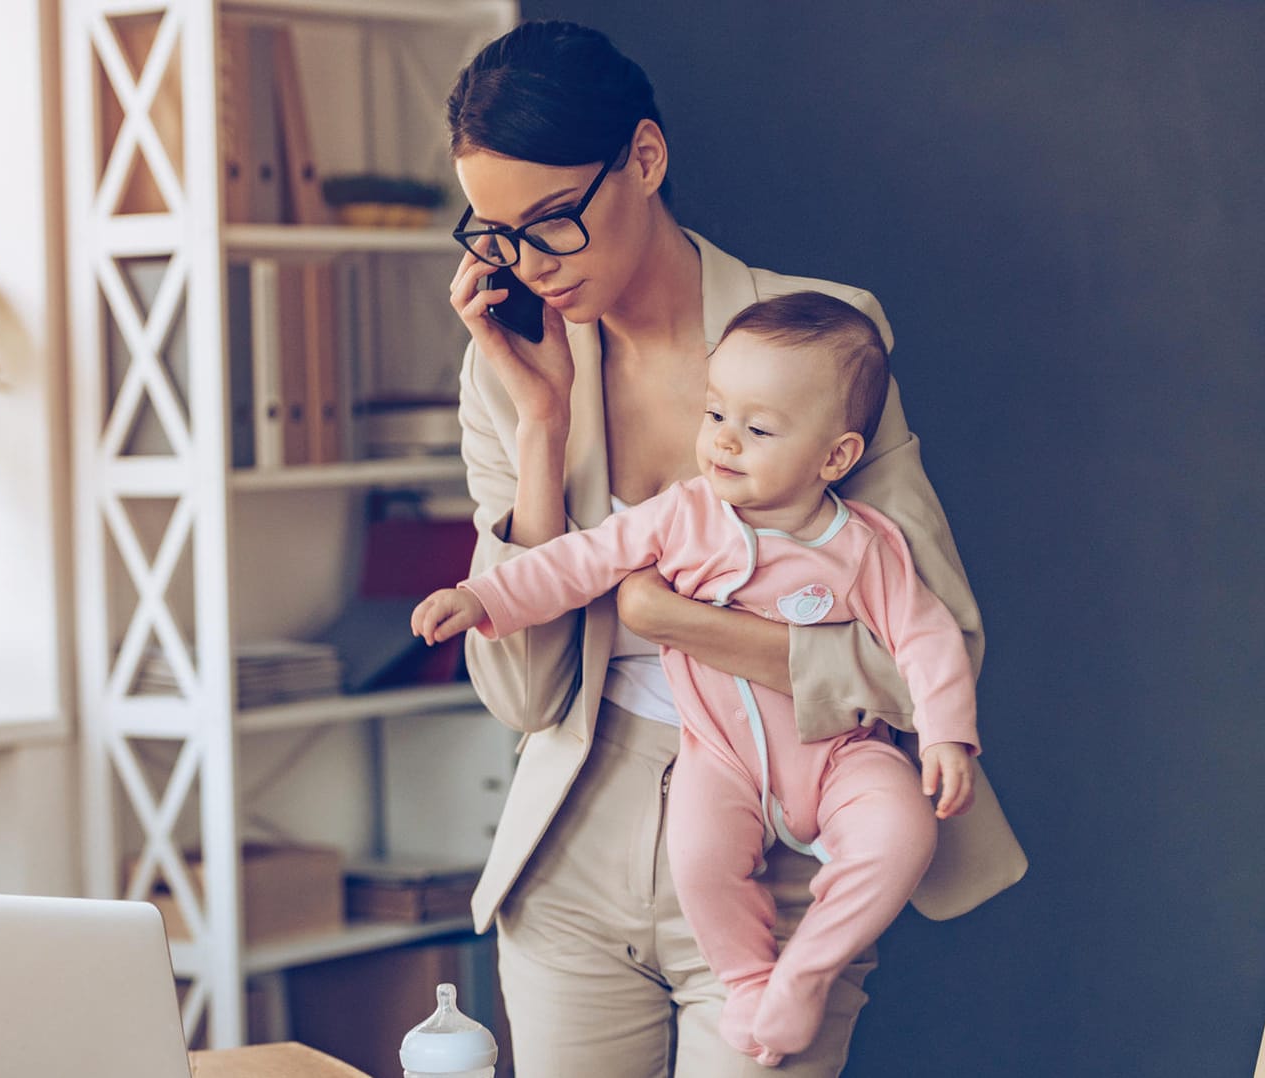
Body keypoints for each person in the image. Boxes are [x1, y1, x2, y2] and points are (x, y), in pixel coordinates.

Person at [441, 20, 1028, 1077]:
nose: (526, 265)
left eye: (552, 222)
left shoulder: (823, 340)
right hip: (573, 850)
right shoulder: (507, 372)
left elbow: (930, 652)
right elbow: (524, 698)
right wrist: (540, 428)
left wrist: (683, 625)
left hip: (787, 846)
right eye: (493, 233)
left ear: (646, 160)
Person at [416, 292, 977, 1066]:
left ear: (836, 457)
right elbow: (579, 563)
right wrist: (482, 597)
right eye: (715, 415)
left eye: (759, 429)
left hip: (841, 754)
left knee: (904, 830)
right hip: (717, 759)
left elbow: (928, 637)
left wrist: (947, 735)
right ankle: (748, 979)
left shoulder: (864, 544)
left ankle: (803, 973)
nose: (723, 443)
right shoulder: (682, 514)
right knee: (701, 852)